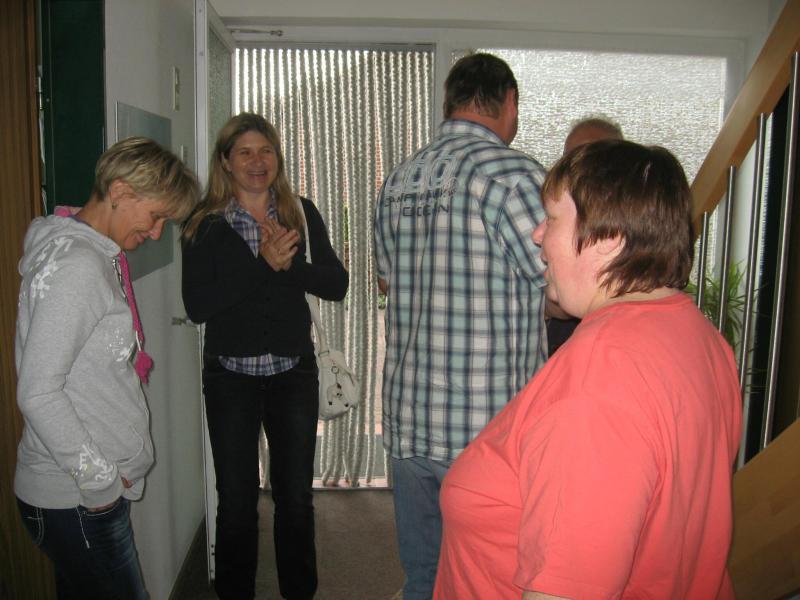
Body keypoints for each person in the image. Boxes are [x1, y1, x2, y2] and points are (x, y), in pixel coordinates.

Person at [434, 140, 742, 599]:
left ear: (607, 238)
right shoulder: (700, 335)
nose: (537, 236)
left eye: (552, 218)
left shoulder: (599, 374)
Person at [373, 53, 548, 600]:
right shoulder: (515, 176)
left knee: (424, 576)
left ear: (450, 102)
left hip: (409, 417)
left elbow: (385, 281)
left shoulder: (399, 179)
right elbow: (561, 284)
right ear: (509, 103)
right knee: (490, 582)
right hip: (486, 429)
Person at [15, 137, 198, 599]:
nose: (156, 233)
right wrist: (100, 482)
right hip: (77, 497)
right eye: (155, 216)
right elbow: (38, 392)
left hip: (82, 495)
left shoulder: (94, 254)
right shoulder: (78, 264)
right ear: (119, 191)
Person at [181, 113, 348, 600]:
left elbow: (336, 284)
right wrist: (262, 264)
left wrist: (288, 267)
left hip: (293, 374)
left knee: (295, 497)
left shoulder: (301, 213)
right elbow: (198, 306)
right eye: (245, 153)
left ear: (278, 157)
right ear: (225, 162)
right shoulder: (203, 224)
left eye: (266, 151)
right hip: (230, 378)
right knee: (236, 501)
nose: (257, 162)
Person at [546, 115, 623, 356]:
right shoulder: (558, 207)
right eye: (569, 156)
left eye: (588, 157)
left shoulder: (628, 220)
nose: (575, 166)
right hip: (560, 341)